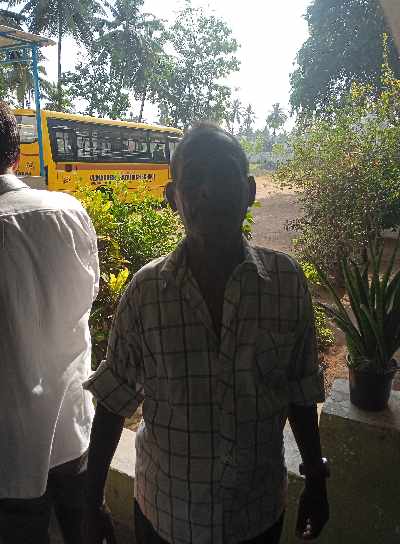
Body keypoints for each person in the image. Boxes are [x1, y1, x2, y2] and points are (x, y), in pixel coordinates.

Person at [83, 123, 329, 544]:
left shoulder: (286, 283)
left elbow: (299, 391)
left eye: (224, 173)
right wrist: (91, 501)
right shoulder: (145, 293)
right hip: (165, 516)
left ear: (248, 190)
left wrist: (317, 480)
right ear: (172, 198)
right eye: (193, 177)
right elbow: (112, 402)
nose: (209, 190)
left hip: (256, 515)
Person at [0, 102, 99, 544]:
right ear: (16, 154)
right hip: (73, 429)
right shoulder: (68, 211)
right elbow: (88, 295)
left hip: (11, 453)